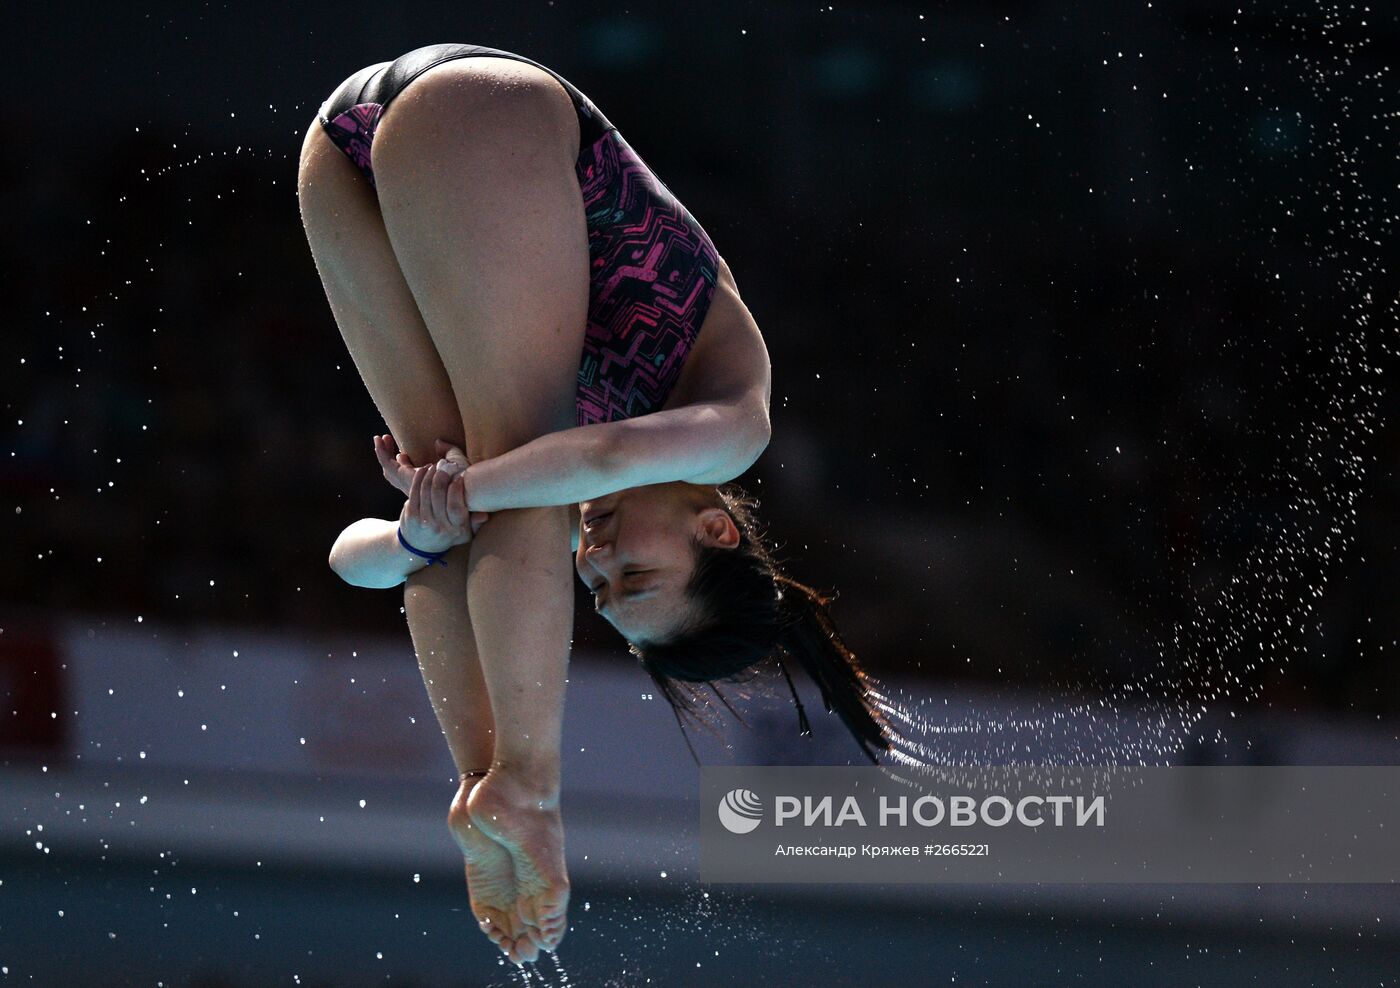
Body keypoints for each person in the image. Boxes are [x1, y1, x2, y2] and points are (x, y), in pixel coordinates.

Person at [296, 42, 899, 967]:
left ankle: (484, 785)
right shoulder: (734, 427)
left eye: (602, 589)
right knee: (513, 480)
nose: (598, 560)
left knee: (468, 519)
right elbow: (600, 452)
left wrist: (417, 531)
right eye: (637, 572)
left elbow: (358, 561)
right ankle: (530, 790)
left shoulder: (549, 487)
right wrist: (463, 495)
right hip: (482, 115)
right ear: (717, 527)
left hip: (343, 164)